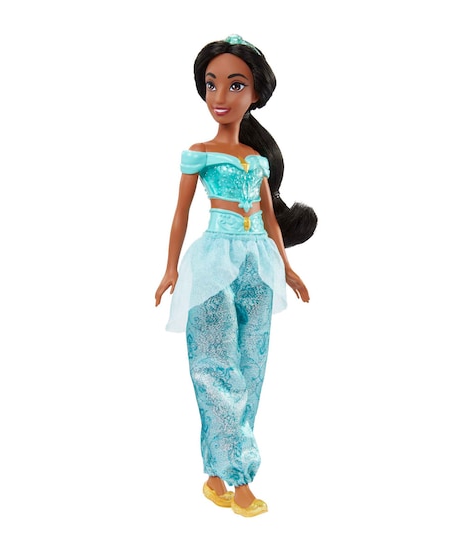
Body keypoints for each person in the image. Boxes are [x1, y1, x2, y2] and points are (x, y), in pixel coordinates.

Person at [155, 35, 317, 517]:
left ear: (256, 94)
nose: (220, 97)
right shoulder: (199, 153)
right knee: (215, 369)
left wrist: (287, 267)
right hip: (211, 264)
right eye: (211, 85)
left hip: (259, 264)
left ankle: (214, 474)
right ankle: (240, 477)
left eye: (235, 85)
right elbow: (180, 214)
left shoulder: (258, 160)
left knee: (251, 368)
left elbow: (270, 220)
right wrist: (170, 268)